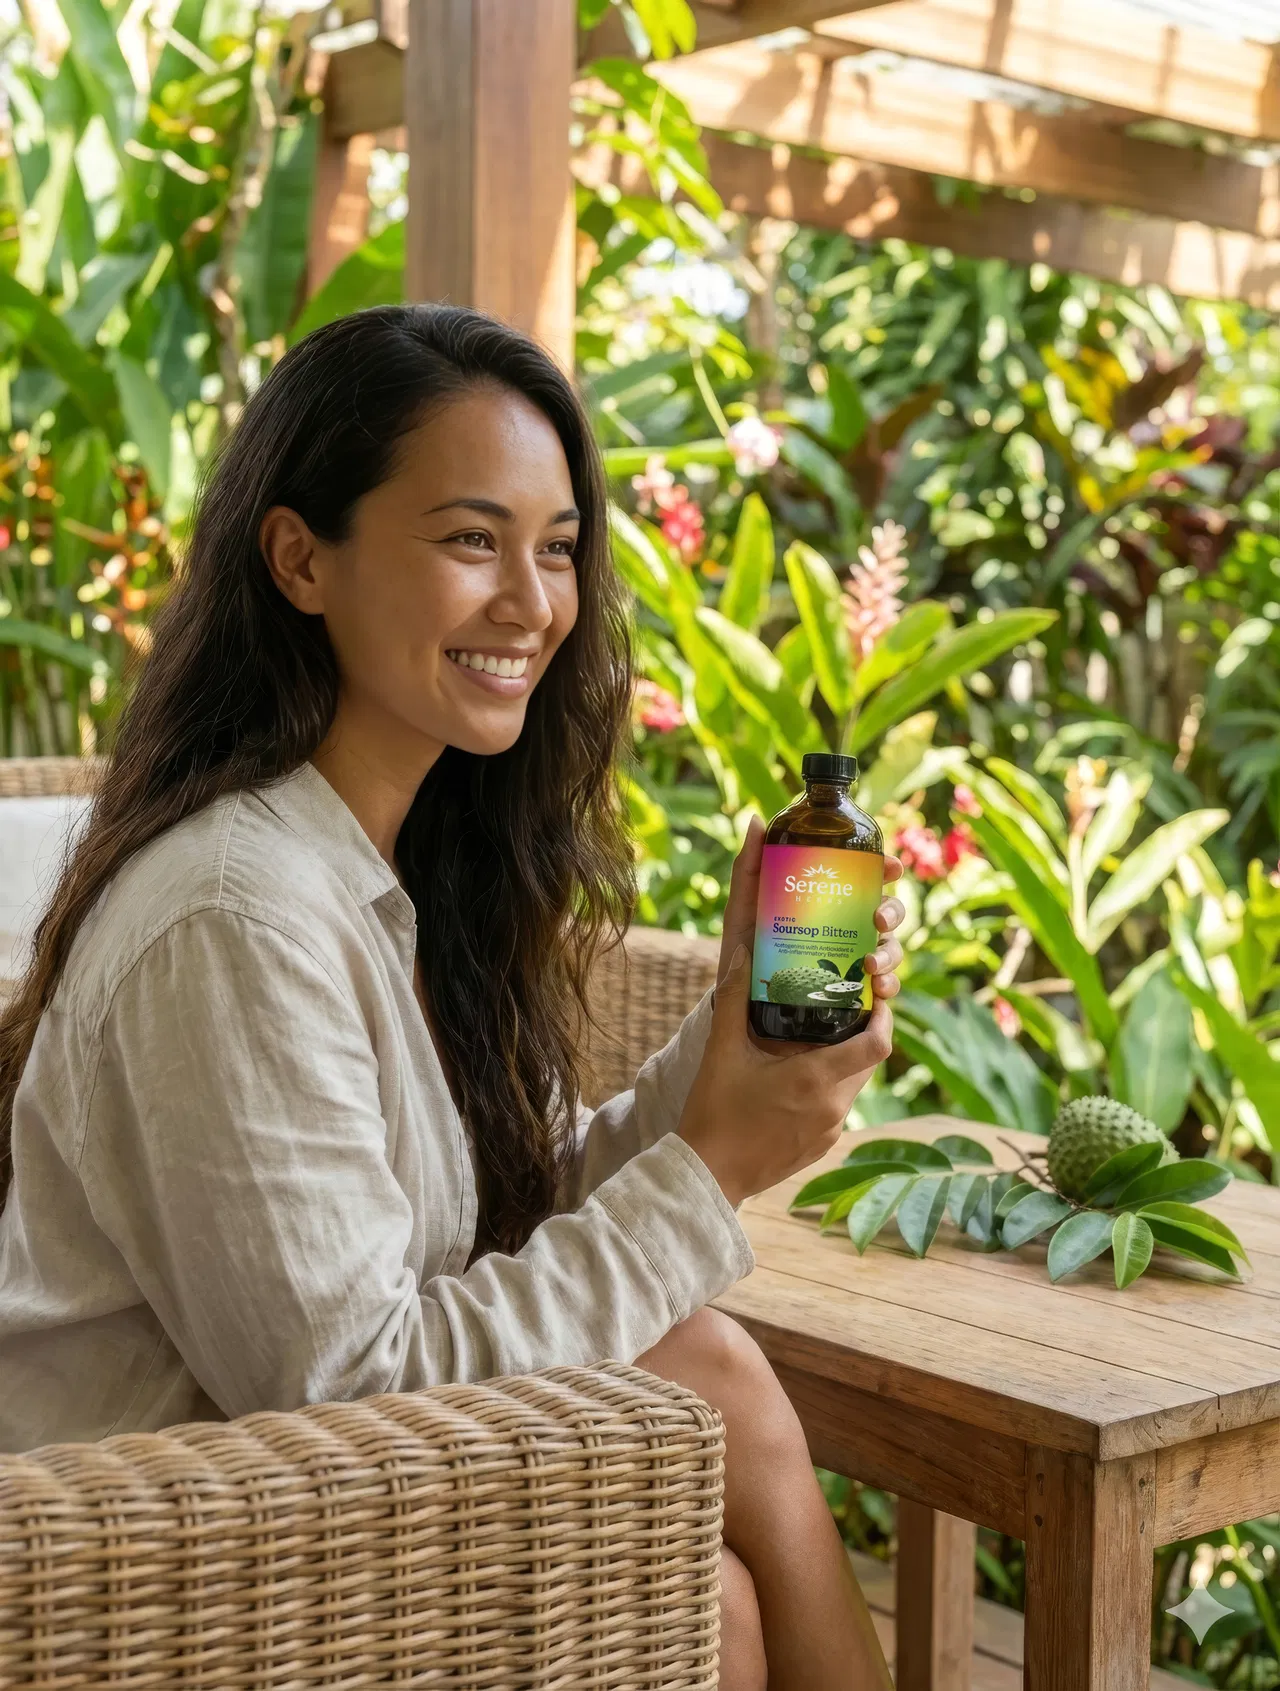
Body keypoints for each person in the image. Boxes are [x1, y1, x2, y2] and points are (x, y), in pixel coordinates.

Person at [0, 305, 905, 1691]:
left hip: (303, 1517)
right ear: (302, 557)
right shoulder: (237, 912)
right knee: (708, 1394)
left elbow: (500, 1213)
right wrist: (713, 1164)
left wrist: (726, 1036)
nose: (534, 604)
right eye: (471, 540)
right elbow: (346, 1389)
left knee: (709, 1582)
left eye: (556, 550)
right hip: (132, 1577)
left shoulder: (387, 874)